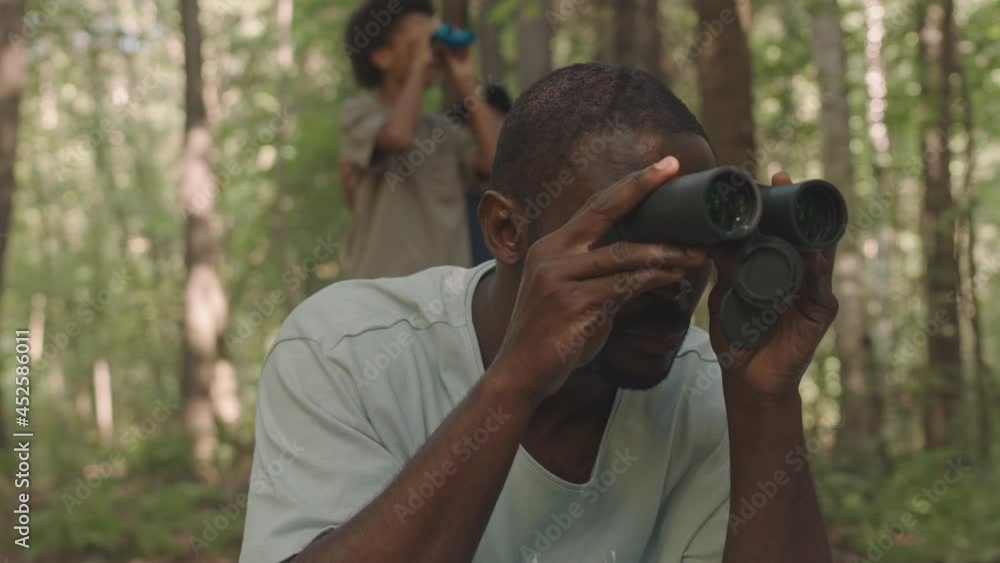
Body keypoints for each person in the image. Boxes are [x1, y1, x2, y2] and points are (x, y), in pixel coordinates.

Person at [239, 64, 838, 563]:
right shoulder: (349, 347)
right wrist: (514, 382)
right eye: (630, 234)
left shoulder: (707, 390)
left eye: (696, 238)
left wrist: (765, 401)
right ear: (506, 230)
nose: (675, 276)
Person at [339, 0, 502, 278]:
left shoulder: (443, 131)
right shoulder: (359, 114)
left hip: (445, 296)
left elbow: (500, 161)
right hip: (380, 293)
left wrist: (465, 81)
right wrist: (419, 63)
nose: (430, 50)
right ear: (382, 56)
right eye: (416, 37)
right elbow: (398, 136)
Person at [461, 84, 512, 265]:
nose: (485, 137)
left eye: (493, 123)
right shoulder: (454, 200)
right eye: (475, 129)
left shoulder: (527, 200)